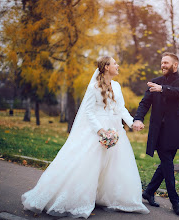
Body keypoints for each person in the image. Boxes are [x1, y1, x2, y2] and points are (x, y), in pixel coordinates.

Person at [21, 56, 149, 218]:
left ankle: (108, 197)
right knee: (89, 165)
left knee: (115, 164)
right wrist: (101, 131)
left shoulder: (116, 86)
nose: (117, 65)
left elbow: (121, 108)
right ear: (106, 67)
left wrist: (132, 123)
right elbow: (88, 111)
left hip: (116, 129)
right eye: (114, 63)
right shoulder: (94, 87)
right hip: (98, 131)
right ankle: (75, 197)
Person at [133, 52, 179, 216]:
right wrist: (138, 118)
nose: (163, 65)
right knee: (167, 163)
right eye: (162, 63)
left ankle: (149, 192)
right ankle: (175, 201)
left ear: (175, 65)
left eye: (166, 62)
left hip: (176, 128)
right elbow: (144, 103)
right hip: (159, 130)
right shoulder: (155, 82)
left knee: (167, 163)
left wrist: (163, 89)